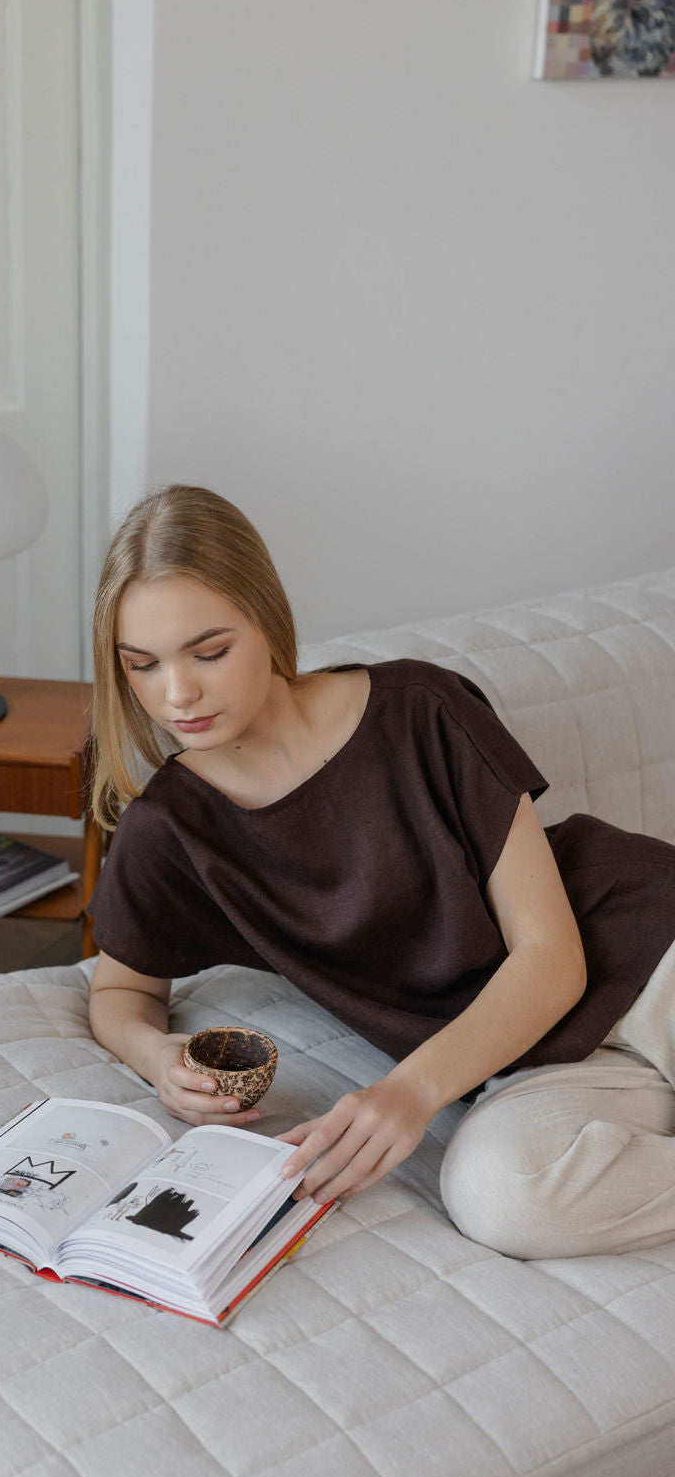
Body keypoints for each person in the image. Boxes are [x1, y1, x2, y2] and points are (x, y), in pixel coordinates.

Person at [86, 485, 675, 1259]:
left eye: (210, 652)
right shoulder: (169, 828)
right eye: (143, 666)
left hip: (643, 949)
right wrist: (158, 1056)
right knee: (503, 1198)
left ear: (267, 622)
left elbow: (551, 957)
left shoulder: (418, 706)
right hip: (518, 1062)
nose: (178, 693)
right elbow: (121, 992)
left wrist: (411, 1092)